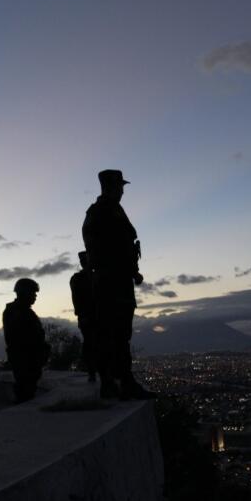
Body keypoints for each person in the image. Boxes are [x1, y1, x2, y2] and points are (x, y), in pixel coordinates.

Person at [82, 169, 155, 400]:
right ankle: (119, 382)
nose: (123, 191)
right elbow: (109, 249)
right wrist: (123, 269)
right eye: (120, 186)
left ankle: (115, 381)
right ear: (112, 187)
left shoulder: (107, 211)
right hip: (112, 281)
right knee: (114, 333)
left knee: (117, 333)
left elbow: (121, 245)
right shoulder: (103, 212)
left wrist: (132, 271)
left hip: (115, 279)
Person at [2, 278, 50, 403]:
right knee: (25, 392)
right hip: (25, 360)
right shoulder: (17, 312)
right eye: (33, 293)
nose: (35, 296)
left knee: (27, 391)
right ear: (24, 293)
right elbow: (21, 339)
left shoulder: (22, 311)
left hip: (28, 359)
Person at [70, 251, 97, 382]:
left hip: (95, 316)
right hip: (87, 317)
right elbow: (77, 300)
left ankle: (96, 372)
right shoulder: (77, 279)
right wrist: (82, 315)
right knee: (90, 345)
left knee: (94, 344)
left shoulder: (96, 276)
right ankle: (92, 372)